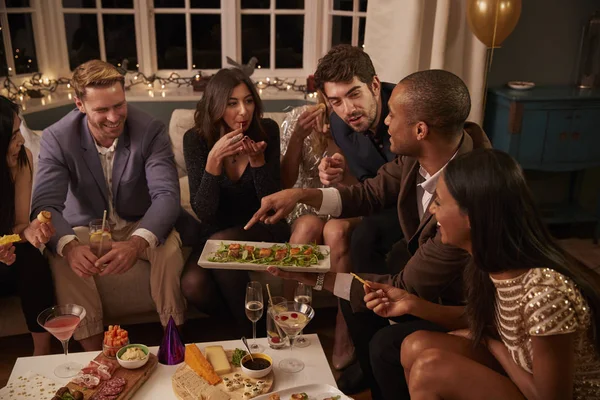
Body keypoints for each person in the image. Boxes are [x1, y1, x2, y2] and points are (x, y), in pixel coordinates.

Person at [245, 69, 491, 398]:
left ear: (420, 130)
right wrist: (301, 196)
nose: (386, 122)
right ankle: (377, 381)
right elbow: (368, 194)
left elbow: (404, 288)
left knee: (382, 340)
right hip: (427, 282)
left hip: (462, 301)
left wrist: (314, 278)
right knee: (356, 304)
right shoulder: (419, 157)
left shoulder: (466, 198)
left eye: (392, 115)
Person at [366, 149, 600, 399]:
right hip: (522, 371)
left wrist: (494, 346)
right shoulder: (489, 263)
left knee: (430, 369)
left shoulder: (545, 293)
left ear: (472, 217)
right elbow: (486, 320)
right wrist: (411, 304)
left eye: (440, 202)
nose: (433, 211)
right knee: (414, 345)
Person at [31, 60, 187, 351]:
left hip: (139, 221)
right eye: (102, 110)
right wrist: (68, 246)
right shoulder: (57, 137)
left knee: (167, 249)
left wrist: (137, 243)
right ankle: (95, 356)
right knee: (62, 259)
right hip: (87, 227)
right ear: (80, 104)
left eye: (119, 105)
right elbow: (45, 204)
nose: (114, 117)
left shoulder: (150, 130)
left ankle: (173, 341)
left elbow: (166, 195)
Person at [181, 68, 290, 337]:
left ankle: (253, 338)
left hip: (263, 224)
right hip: (215, 230)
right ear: (216, 105)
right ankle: (253, 323)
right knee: (192, 285)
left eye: (249, 100)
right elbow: (205, 212)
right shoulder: (195, 140)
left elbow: (273, 204)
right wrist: (213, 162)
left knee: (225, 246)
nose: (243, 111)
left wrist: (258, 163)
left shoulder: (268, 131)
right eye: (232, 103)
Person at [0, 95, 56, 355]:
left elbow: (20, 225)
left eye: (19, 130)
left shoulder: (23, 158)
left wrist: (31, 232)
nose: (21, 139)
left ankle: (40, 354)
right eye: (13, 136)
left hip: (7, 252)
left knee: (32, 258)